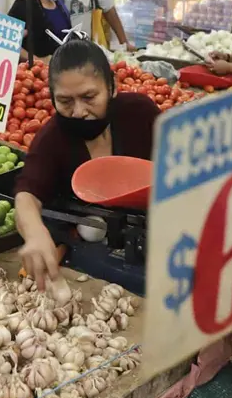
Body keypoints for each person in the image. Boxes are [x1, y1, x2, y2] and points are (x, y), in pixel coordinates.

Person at [14, 39, 161, 289]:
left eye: (89, 97)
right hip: (91, 252)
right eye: (65, 102)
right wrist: (35, 234)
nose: (79, 111)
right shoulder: (52, 139)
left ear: (112, 87)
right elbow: (27, 195)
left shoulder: (140, 114)